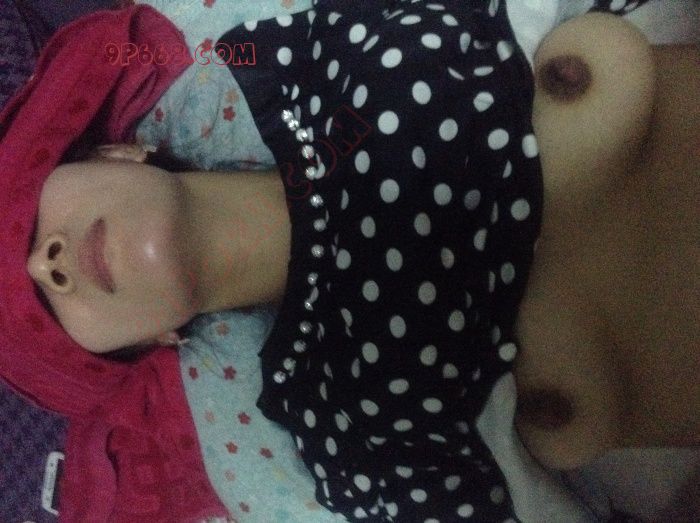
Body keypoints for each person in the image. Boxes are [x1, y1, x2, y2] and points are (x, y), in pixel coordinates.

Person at [22, 1, 698, 521]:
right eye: (47, 316)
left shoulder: (299, 48)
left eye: (28, 222)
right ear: (155, 342)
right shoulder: (335, 435)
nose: (43, 266)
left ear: (116, 152)